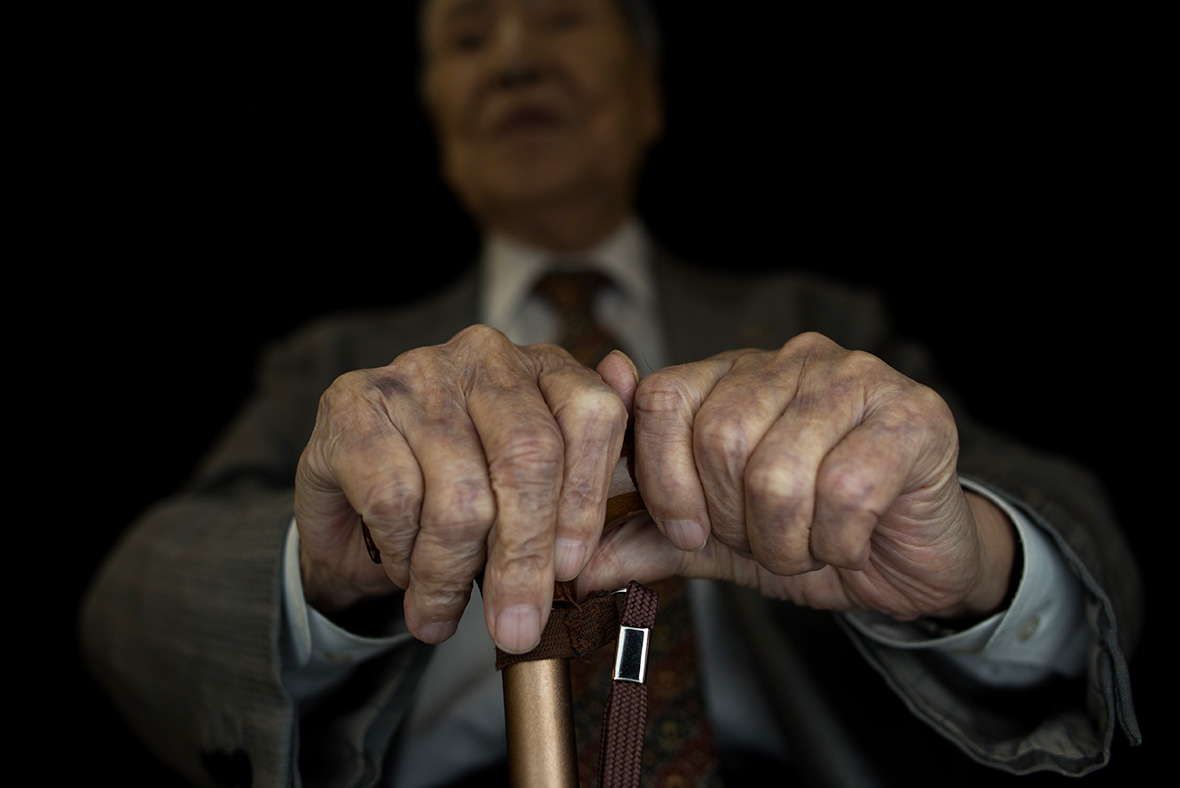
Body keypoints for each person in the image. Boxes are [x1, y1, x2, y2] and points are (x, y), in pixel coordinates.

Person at [80, 1, 1142, 786]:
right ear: (438, 121)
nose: (514, 60)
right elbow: (134, 601)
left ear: (648, 97)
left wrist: (973, 566)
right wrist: (316, 571)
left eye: (559, 18)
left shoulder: (817, 315)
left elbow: (1086, 548)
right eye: (466, 41)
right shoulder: (337, 360)